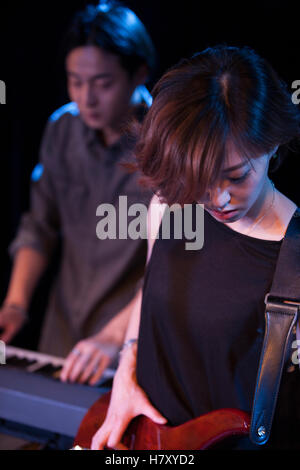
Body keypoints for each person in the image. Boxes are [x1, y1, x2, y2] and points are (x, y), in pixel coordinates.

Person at [90, 45, 300, 450]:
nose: (217, 198)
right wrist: (125, 370)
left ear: (272, 144)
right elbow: (148, 292)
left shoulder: (294, 259)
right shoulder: (169, 207)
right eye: (199, 177)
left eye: (236, 176)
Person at [0, 0, 156, 385]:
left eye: (102, 83)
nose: (87, 98)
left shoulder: (168, 146)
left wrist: (113, 336)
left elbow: (176, 267)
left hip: (130, 345)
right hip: (63, 334)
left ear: (139, 72)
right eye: (76, 81)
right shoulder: (63, 128)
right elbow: (40, 226)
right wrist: (16, 303)